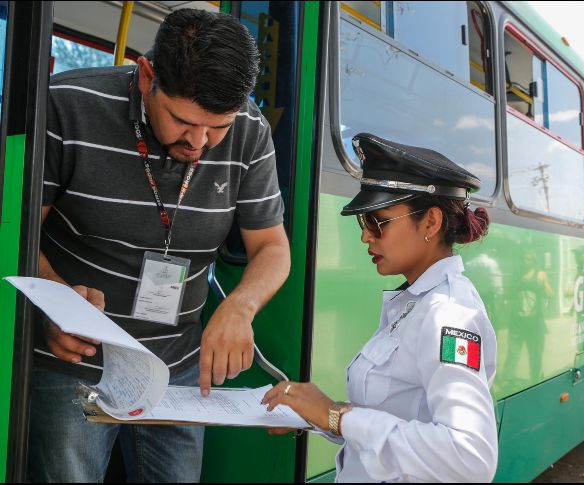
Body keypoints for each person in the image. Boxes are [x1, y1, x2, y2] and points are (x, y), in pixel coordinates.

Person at [29, 9, 290, 483]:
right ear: (147, 75)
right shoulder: (66, 105)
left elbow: (272, 246)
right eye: (184, 122)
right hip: (73, 363)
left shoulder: (250, 131)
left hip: (178, 370)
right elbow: (16, 231)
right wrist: (53, 301)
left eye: (218, 127)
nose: (201, 143)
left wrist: (240, 306)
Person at [262, 133, 498, 482]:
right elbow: (396, 414)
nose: (365, 236)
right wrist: (319, 414)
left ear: (431, 223)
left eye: (378, 222)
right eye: (364, 222)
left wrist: (336, 416)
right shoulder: (413, 302)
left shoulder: (448, 313)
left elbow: (470, 456)